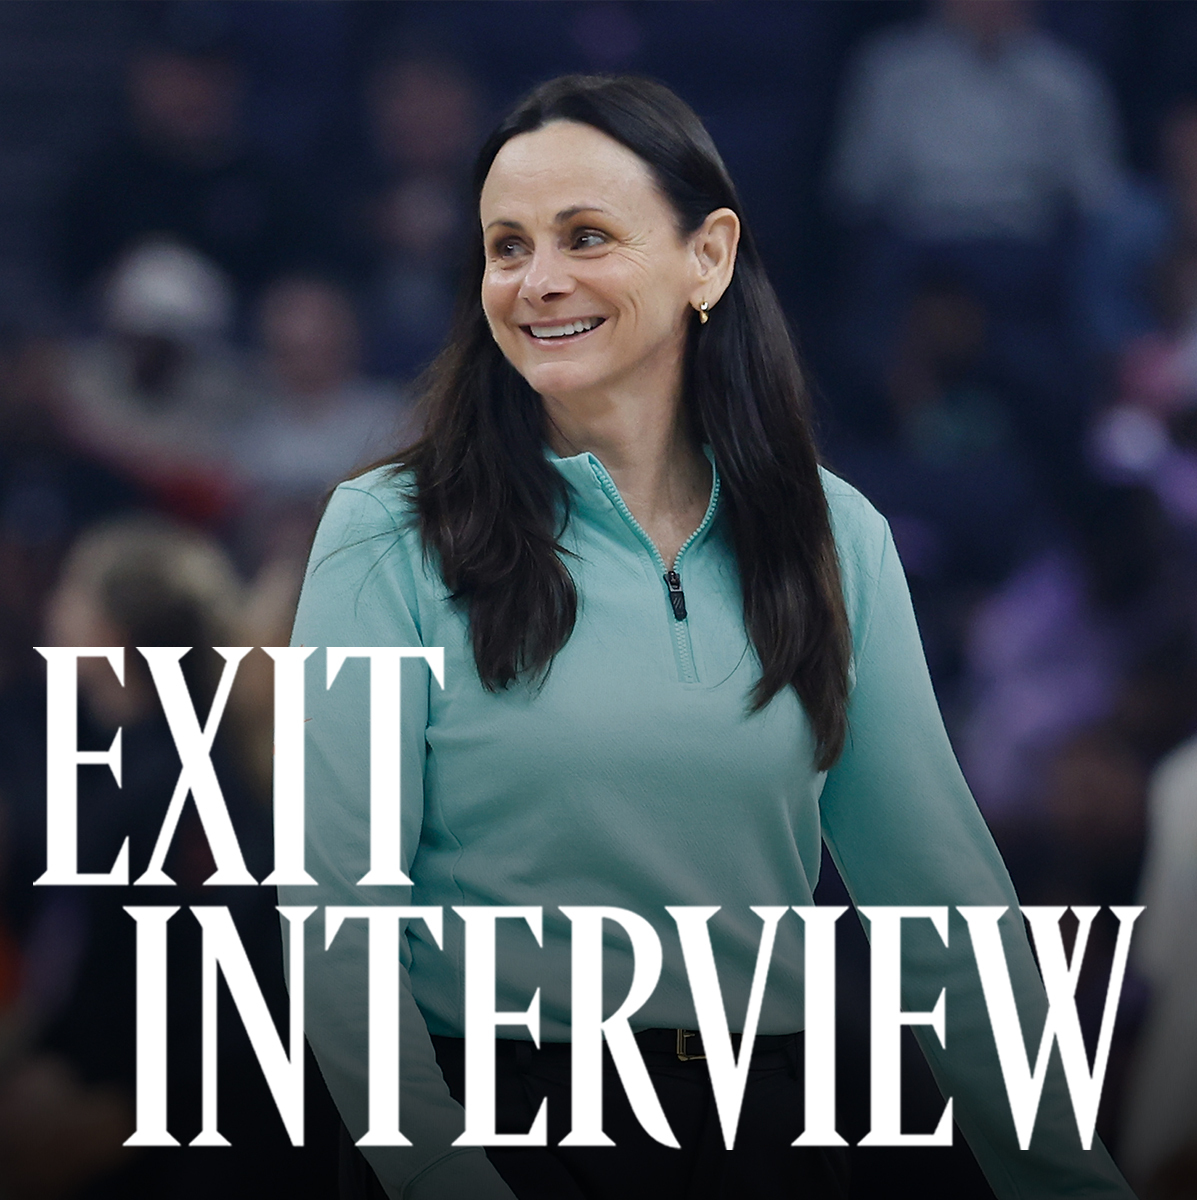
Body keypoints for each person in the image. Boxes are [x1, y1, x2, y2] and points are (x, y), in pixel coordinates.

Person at [284, 75, 1135, 1200]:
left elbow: (943, 909)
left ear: (710, 258)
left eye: (586, 237)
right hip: (488, 1129)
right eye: (506, 246)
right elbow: (332, 916)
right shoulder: (383, 532)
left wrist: (1070, 1182)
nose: (538, 281)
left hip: (768, 1128)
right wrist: (440, 1170)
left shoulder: (835, 536)